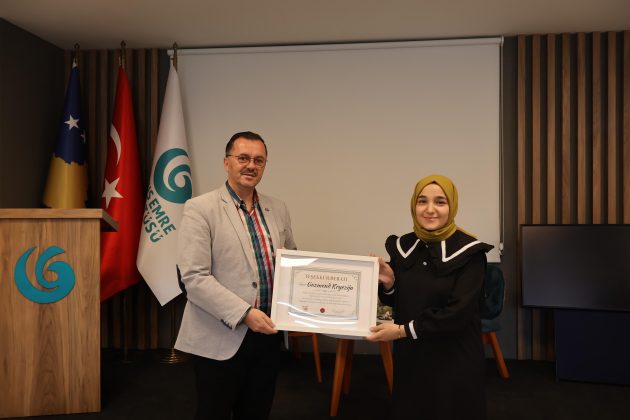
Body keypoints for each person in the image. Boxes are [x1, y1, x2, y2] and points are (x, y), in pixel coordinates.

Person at [175, 131, 297, 420]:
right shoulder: (200, 208)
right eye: (243, 158)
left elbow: (292, 262)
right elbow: (194, 278)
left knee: (257, 412)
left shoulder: (278, 208)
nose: (251, 165)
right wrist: (244, 313)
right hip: (219, 334)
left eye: (259, 160)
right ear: (226, 162)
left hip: (267, 334)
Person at [366, 174, 492, 420]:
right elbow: (400, 300)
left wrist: (401, 331)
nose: (430, 209)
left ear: (452, 206)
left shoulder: (471, 254)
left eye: (440, 202)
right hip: (412, 357)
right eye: (422, 201)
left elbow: (457, 315)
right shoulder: (404, 246)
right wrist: (390, 283)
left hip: (454, 359)